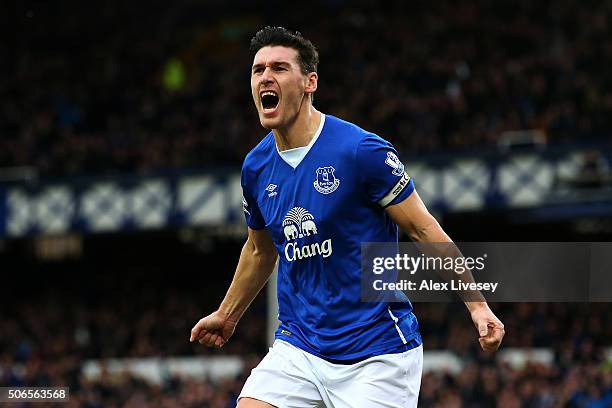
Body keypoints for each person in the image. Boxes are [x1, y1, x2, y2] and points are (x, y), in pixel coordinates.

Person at [190, 26, 505, 408]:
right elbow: (260, 251)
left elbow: (423, 229)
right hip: (300, 347)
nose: (265, 77)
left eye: (279, 68)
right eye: (258, 70)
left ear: (310, 82)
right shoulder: (256, 167)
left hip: (377, 353)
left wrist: (477, 304)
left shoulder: (360, 151)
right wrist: (227, 316)